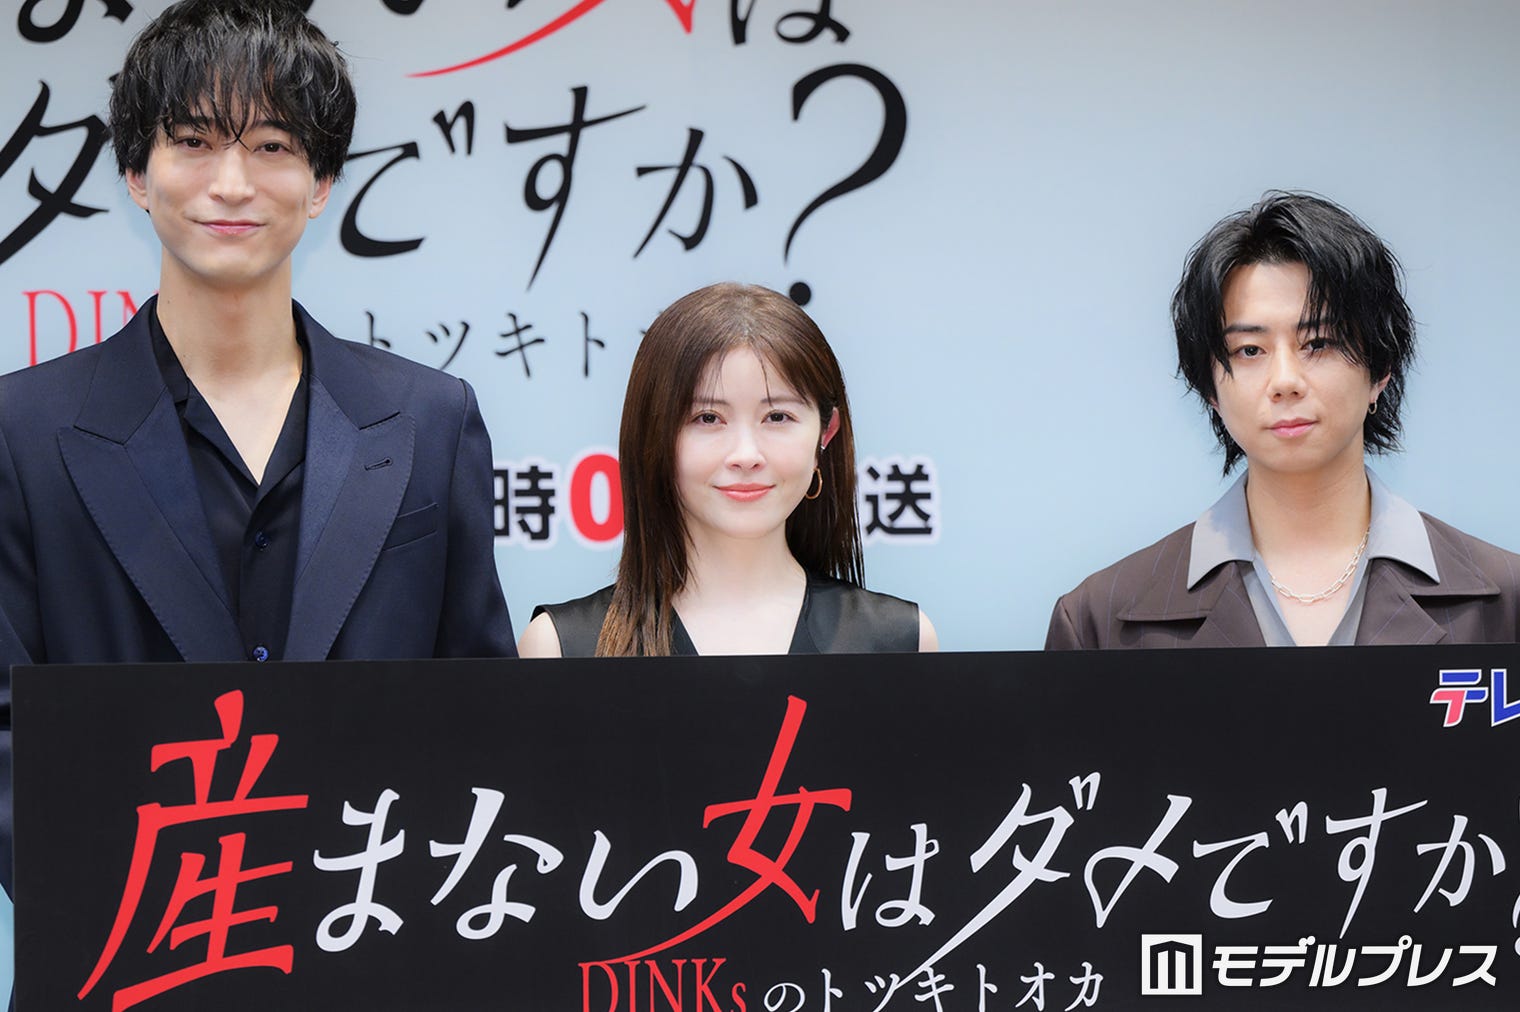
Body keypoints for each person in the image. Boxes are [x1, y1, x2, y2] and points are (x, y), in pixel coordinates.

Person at [0, 0, 515, 894]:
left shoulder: (430, 420)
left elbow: (481, 713)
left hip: (374, 929)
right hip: (132, 934)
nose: (232, 183)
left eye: (272, 144)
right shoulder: (24, 430)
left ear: (321, 182)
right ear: (137, 173)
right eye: (194, 141)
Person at [1046, 191, 1519, 649]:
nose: (1285, 381)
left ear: (1380, 369)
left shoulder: (1507, 602)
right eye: (1249, 350)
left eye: (1318, 343)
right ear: (1210, 388)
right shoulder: (1098, 621)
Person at [519, 283, 936, 656]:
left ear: (825, 433)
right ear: (654, 435)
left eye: (777, 417)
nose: (746, 454)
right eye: (708, 418)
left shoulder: (899, 640)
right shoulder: (562, 647)